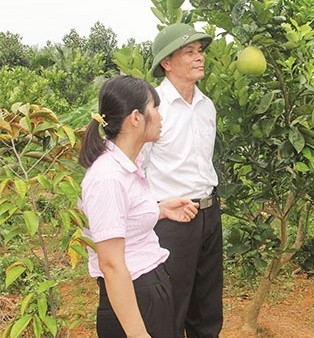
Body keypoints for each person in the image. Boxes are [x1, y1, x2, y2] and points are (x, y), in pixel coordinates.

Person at [78, 75, 200, 338]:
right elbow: (111, 264)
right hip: (133, 295)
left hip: (150, 288)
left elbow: (124, 220)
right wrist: (138, 334)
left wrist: (161, 209)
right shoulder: (107, 177)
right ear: (135, 117)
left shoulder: (128, 164)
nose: (160, 115)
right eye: (154, 108)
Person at [144, 23, 223, 337]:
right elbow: (137, 169)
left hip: (208, 215)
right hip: (172, 221)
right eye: (189, 52)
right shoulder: (153, 109)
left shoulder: (207, 107)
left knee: (207, 308)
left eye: (200, 51)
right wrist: (157, 209)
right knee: (170, 308)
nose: (199, 57)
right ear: (167, 62)